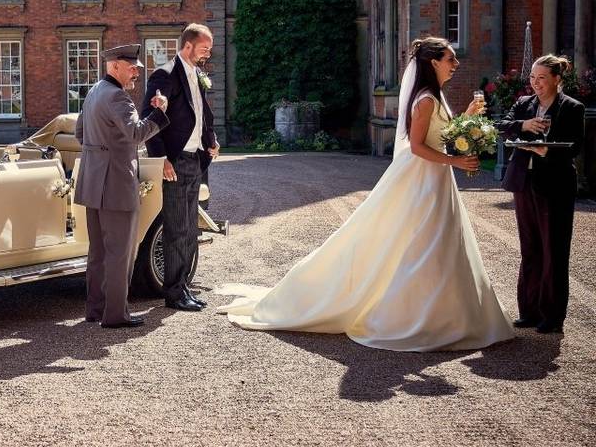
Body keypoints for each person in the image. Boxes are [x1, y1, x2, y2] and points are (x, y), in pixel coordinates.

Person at [217, 37, 514, 351]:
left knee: (439, 241)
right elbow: (417, 146)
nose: (456, 64)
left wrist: (468, 113)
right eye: (450, 59)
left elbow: (443, 132)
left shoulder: (435, 95)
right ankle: (416, 316)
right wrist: (454, 160)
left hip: (436, 178)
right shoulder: (426, 99)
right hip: (422, 178)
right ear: (433, 63)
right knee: (420, 241)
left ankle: (446, 315)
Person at [75, 44, 169, 329]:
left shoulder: (93, 92)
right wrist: (159, 113)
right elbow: (136, 134)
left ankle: (96, 309)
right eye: (131, 68)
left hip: (93, 181)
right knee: (121, 252)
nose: (136, 74)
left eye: (138, 69)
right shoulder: (117, 97)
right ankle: (116, 315)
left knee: (99, 251)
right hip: (115, 182)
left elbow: (80, 133)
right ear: (115, 66)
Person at [498, 54, 585, 334]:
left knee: (554, 250)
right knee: (530, 247)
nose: (535, 83)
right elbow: (502, 128)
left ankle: (552, 315)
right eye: (533, 78)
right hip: (525, 183)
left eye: (542, 78)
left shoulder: (572, 108)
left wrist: (546, 151)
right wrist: (523, 126)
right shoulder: (524, 105)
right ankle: (529, 310)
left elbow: (575, 147)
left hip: (556, 185)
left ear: (557, 79)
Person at [141, 24, 219, 312]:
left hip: (195, 159)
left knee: (189, 229)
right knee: (175, 228)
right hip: (174, 161)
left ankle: (184, 287)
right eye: (205, 47)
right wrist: (161, 158)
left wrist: (211, 141)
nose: (208, 53)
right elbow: (150, 116)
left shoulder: (197, 75)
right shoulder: (164, 74)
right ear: (188, 45)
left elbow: (201, 115)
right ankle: (173, 294)